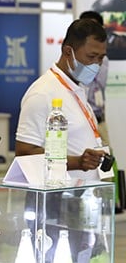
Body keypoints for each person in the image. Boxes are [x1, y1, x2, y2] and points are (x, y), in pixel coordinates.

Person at [15, 18, 108, 180]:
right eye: (91, 56)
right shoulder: (42, 93)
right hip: (58, 197)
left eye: (100, 58)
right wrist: (77, 162)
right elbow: (25, 153)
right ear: (67, 52)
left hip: (84, 195)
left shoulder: (76, 88)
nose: (96, 64)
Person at [79, 11, 110, 147]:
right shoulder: (73, 58)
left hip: (98, 117)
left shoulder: (105, 60)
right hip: (79, 120)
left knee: (107, 159)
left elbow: (100, 86)